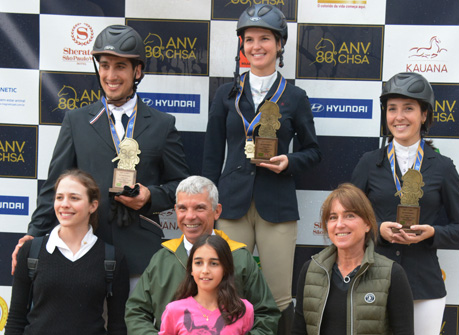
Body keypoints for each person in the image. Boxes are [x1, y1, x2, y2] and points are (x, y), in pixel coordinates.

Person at [11, 25, 190, 281]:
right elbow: (54, 186)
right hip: (84, 250)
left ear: (137, 71)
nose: (110, 75)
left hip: (141, 256)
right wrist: (33, 235)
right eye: (105, 66)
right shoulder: (76, 121)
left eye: (120, 66)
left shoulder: (162, 124)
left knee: (135, 322)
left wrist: (150, 196)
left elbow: (181, 186)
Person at [202, 5, 321, 333]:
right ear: (242, 45)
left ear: (279, 44)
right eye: (249, 39)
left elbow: (314, 152)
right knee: (226, 289)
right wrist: (209, 205)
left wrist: (289, 162)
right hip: (230, 205)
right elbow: (212, 155)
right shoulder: (226, 94)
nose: (257, 46)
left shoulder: (296, 97)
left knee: (278, 297)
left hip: (277, 206)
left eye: (265, 38)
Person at [351, 72, 459, 335]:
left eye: (408, 108)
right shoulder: (369, 162)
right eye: (392, 109)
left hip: (424, 285)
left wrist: (431, 233)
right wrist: (377, 230)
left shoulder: (443, 167)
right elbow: (348, 219)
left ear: (424, 114)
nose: (399, 116)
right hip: (372, 278)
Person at [125, 175, 280, 335]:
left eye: (199, 208)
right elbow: (136, 312)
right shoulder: (162, 259)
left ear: (217, 211)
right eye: (183, 208)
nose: (190, 216)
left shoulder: (239, 258)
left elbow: (266, 315)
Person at [5, 169, 129, 335]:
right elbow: (15, 319)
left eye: (74, 198)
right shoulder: (31, 251)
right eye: (59, 197)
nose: (64, 204)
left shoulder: (112, 258)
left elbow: (118, 326)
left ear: (93, 205)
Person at [292, 183, 414, 335]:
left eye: (349, 215)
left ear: (368, 224)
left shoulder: (392, 273)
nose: (340, 224)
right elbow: (298, 331)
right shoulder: (311, 269)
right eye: (333, 217)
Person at [158, 234, 254, 335]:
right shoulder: (173, 310)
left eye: (213, 263)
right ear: (191, 269)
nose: (205, 270)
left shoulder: (243, 310)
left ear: (225, 268)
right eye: (198, 263)